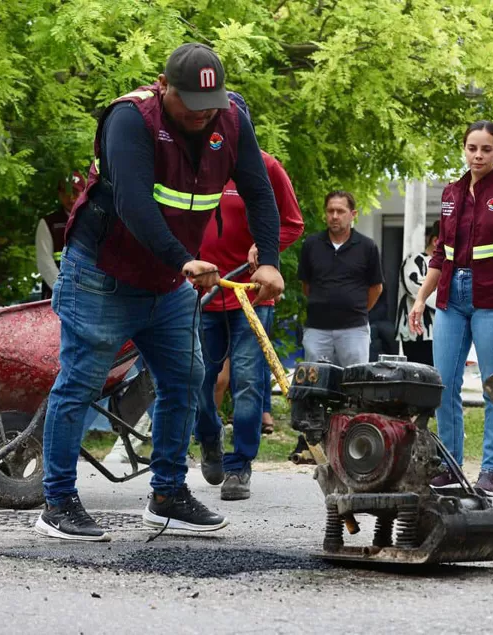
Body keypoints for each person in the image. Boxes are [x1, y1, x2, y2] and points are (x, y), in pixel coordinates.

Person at [36, 43, 285, 542]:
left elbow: (259, 191)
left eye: (208, 107)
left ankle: (167, 494)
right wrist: (183, 258)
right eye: (189, 103)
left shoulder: (232, 118)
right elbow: (131, 201)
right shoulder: (130, 120)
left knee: (187, 377)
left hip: (169, 282)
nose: (200, 116)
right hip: (105, 273)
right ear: (163, 85)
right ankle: (58, 502)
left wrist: (272, 262)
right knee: (80, 382)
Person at [409, 120, 493, 496]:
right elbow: (440, 253)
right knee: (443, 384)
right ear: (464, 150)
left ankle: (491, 470)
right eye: (472, 148)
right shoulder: (450, 192)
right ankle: (450, 465)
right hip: (452, 297)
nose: (478, 155)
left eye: (486, 149)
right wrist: (421, 298)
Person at [195, 150, 304, 500]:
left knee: (247, 383)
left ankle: (239, 465)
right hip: (203, 291)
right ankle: (210, 438)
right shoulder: (192, 161)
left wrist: (267, 246)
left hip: (251, 294)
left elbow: (292, 222)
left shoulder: (265, 166)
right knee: (198, 378)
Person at [297, 191, 384, 366]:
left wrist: (354, 309)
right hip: (317, 330)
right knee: (316, 386)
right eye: (330, 211)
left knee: (354, 385)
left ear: (353, 215)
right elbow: (306, 286)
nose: (334, 216)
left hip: (354, 330)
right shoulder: (311, 245)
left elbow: (376, 288)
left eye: (340, 211)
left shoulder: (367, 246)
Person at [36, 172, 85, 300]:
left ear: (84, 192)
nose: (70, 197)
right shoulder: (48, 223)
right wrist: (63, 289)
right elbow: (44, 261)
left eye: (75, 192)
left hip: (91, 292)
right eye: (65, 192)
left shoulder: (96, 219)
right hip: (58, 295)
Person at [396, 221, 439, 366]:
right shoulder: (414, 261)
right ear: (436, 241)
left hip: (442, 333)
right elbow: (417, 289)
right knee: (420, 377)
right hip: (419, 334)